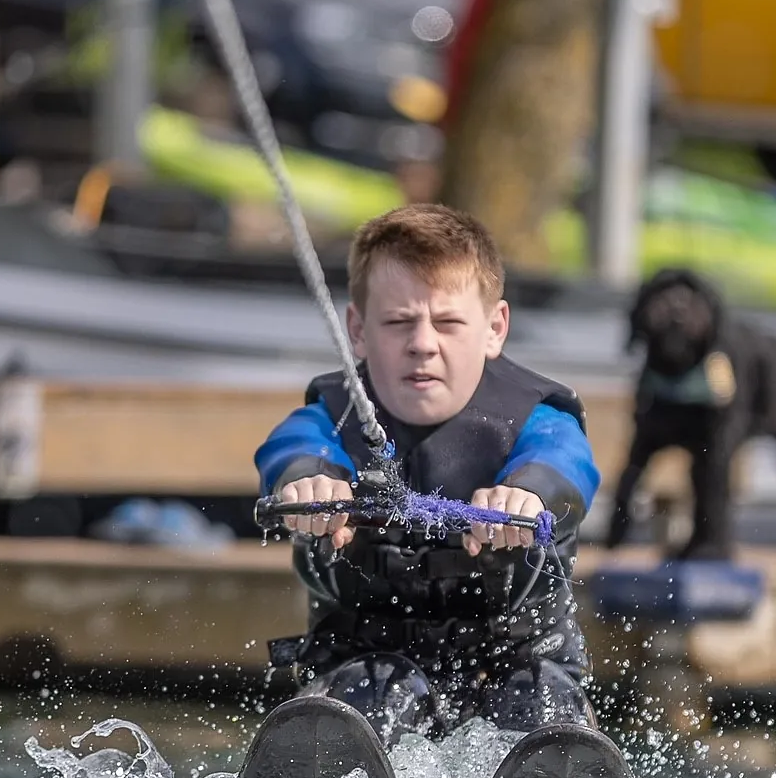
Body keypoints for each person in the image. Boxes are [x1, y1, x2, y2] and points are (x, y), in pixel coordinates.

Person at [254, 203, 601, 748]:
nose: (422, 342)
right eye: (398, 322)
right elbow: (292, 446)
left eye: (448, 322)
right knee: (371, 696)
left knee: (538, 705)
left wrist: (527, 494)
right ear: (358, 331)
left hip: (514, 662)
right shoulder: (332, 416)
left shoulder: (537, 421)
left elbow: (566, 462)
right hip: (363, 662)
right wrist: (311, 480)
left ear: (494, 329)